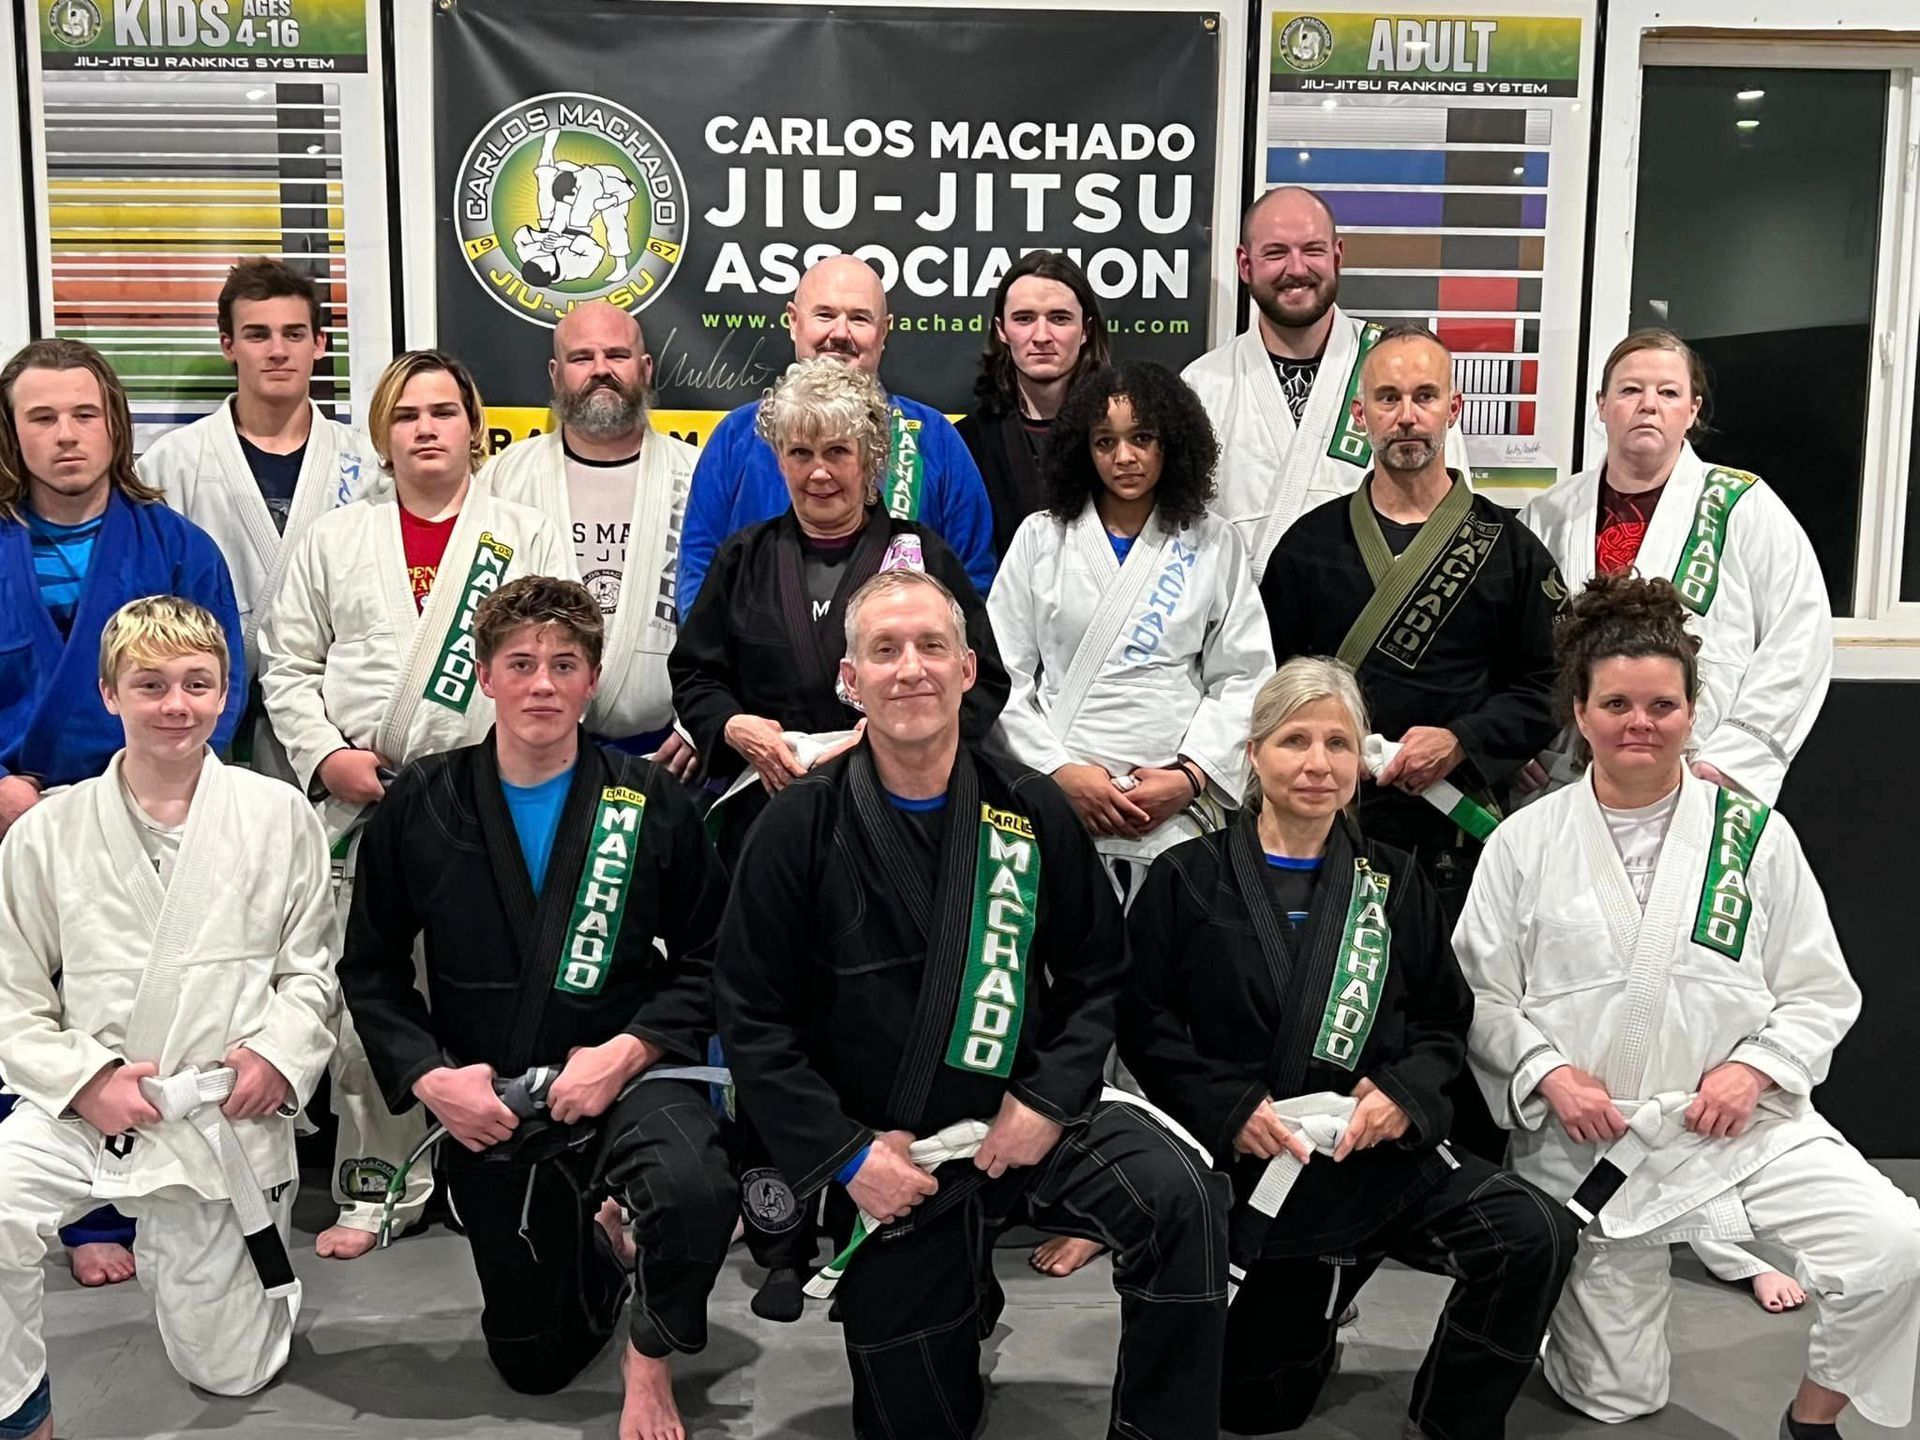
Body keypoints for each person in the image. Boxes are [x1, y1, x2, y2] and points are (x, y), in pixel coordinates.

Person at [716, 567, 1229, 1440]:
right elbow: (753, 1021)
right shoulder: (797, 826)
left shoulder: (1031, 810)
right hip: (893, 1159)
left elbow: (1102, 975)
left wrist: (1048, 1095)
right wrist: (847, 1160)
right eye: (884, 651)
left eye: (931, 647)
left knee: (1183, 1195)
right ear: (851, 681)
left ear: (966, 669)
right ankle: (955, 1294)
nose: (909, 668)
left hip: (1023, 1124)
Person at [1454, 572, 1920, 1438]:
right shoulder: (1525, 842)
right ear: (1581, 712)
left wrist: (1753, 1069)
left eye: (1663, 705)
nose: (1641, 723)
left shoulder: (1754, 836)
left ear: (1692, 710)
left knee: (1898, 1244)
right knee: (1619, 1398)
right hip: (1594, 1144)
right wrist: (1547, 1073)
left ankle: (1813, 1419)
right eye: (1618, 703)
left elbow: (1820, 990)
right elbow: (1482, 996)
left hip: (1737, 1130)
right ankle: (1577, 1307)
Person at [1120, 658, 1575, 1439]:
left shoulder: (1394, 880)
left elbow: (1442, 1020)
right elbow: (1145, 1021)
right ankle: (1313, 1314)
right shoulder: (1187, 878)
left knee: (1534, 1230)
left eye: (1338, 742)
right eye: (1295, 740)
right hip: (1252, 1167)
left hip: (1373, 1160)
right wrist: (1226, 1109)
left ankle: (1451, 1420)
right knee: (1256, 1409)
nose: (1317, 763)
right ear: (1255, 754)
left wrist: (1404, 1093)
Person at [338, 576, 733, 1440]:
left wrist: (627, 1054)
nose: (543, 684)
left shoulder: (648, 799)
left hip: (625, 1074)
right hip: (494, 1101)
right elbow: (369, 969)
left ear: (594, 679)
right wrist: (434, 1081)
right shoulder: (425, 803)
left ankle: (650, 1357)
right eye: (521, 663)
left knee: (695, 1189)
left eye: (564, 664)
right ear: (485, 676)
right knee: (533, 1365)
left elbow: (710, 960)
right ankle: (605, 1246)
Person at [260, 349, 572, 1260]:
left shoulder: (521, 531)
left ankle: (493, 1172)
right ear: (382, 435)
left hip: (492, 795)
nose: (427, 429)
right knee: (374, 1005)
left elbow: (549, 660)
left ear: (476, 428)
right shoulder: (332, 539)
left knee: (496, 996)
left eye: (444, 411)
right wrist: (326, 759)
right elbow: (288, 667)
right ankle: (378, 1189)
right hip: (369, 797)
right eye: (407, 415)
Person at [0, 596, 335, 1440]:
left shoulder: (278, 814)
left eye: (197, 683)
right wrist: (83, 1082)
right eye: (149, 684)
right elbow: (10, 994)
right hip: (93, 1107)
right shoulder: (47, 832)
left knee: (230, 1373)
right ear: (110, 693)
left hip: (215, 1113)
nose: (175, 704)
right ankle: (17, 1412)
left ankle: (201, 1269)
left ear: (227, 694)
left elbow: (309, 972)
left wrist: (277, 1057)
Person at [0, 338, 246, 1287]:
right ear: (12, 433)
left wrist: (159, 786)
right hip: (12, 814)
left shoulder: (176, 547)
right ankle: (61, 1200)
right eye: (42, 418)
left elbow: (226, 681)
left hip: (154, 811)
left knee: (136, 1001)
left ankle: (136, 1189)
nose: (66, 437)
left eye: (84, 415)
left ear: (116, 425)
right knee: (27, 1001)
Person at [1260, 325, 1562, 927]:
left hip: (1452, 831)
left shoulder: (1510, 550)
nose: (1405, 416)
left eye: (1424, 396)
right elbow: (1268, 686)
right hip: (1330, 820)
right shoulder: (1307, 547)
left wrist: (1463, 742)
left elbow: (1550, 685)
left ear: (1453, 409)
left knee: (1443, 1007)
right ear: (1360, 414)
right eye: (1387, 398)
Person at [670, 357, 1007, 844]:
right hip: (768, 808)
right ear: (780, 459)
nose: (819, 473)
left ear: (870, 458)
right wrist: (731, 725)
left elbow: (984, 679)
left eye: (837, 452)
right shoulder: (744, 558)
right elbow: (696, 673)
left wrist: (894, 737)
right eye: (801, 453)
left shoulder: (923, 558)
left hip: (899, 808)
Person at [990, 360, 1272, 901]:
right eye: (1104, 442)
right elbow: (1003, 677)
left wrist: (1190, 776)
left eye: (1142, 438)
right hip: (1061, 794)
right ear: (1082, 449)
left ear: (1172, 442)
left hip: (1173, 801)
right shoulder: (1040, 539)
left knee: (1173, 964)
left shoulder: (1213, 542)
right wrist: (1058, 773)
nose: (1124, 458)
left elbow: (1245, 676)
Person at [1520, 328, 1831, 805]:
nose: (1649, 405)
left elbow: (1800, 636)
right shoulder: (1549, 515)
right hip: (1569, 774)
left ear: (1693, 411)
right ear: (1602, 406)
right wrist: (1515, 744)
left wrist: (1737, 755)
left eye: (1668, 392)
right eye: (1630, 390)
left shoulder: (1741, 506)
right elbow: (1504, 642)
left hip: (1699, 769)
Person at [138, 258, 375, 776]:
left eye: (294, 333)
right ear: (229, 346)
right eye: (256, 334)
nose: (276, 350)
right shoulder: (171, 463)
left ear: (319, 344)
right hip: (205, 712)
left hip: (335, 715)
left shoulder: (367, 464)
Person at [678, 254, 995, 612]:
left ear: (884, 331)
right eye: (825, 315)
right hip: (758, 664)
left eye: (859, 318)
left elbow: (974, 582)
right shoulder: (736, 437)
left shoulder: (933, 438)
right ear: (793, 322)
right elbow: (699, 574)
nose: (840, 334)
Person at [1184, 186, 1469, 581]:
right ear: (1245, 265)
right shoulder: (1202, 386)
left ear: (1337, 256)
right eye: (1276, 252)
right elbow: (1179, 535)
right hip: (1240, 627)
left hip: (1374, 619)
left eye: (1312, 250)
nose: (1297, 269)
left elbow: (1450, 511)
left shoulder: (1398, 373)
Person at [481, 301, 697, 772]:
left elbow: (732, 610)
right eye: (582, 359)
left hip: (668, 756)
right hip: (530, 752)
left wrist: (702, 718)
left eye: (617, 355)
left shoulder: (695, 475)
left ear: (645, 368)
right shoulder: (502, 479)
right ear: (556, 375)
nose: (601, 370)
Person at [955, 251, 1109, 558]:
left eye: (1059, 318)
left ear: (1086, 331)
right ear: (1001, 330)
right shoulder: (965, 443)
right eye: (1024, 319)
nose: (1041, 336)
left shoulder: (1120, 437)